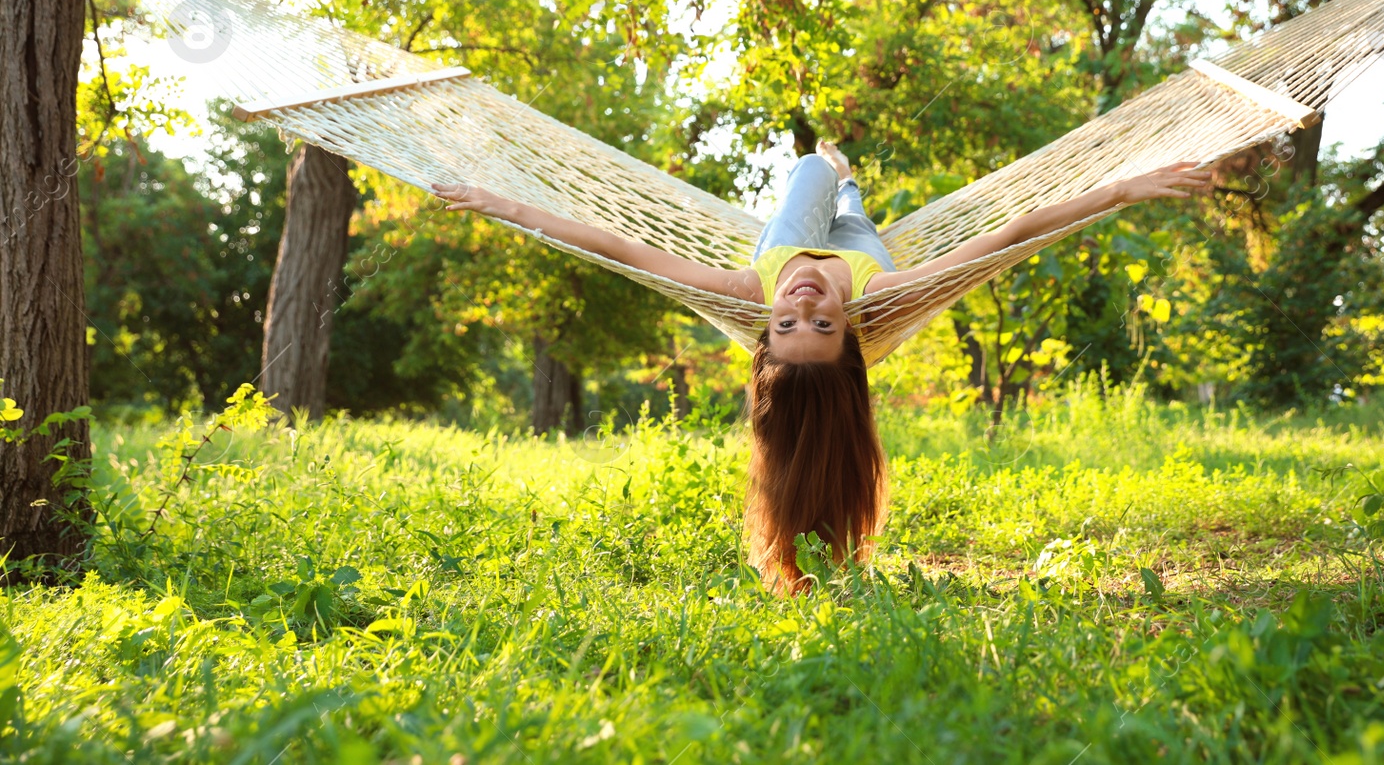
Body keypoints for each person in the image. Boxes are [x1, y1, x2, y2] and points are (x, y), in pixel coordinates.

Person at [433, 143, 1209, 591]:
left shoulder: (751, 291)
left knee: (808, 169)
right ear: (850, 332)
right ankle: (854, 189)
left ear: (764, 329)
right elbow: (1018, 230)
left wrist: (501, 201)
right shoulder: (881, 298)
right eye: (821, 323)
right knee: (858, 222)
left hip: (780, 234)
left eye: (791, 321)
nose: (804, 301)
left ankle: (833, 168)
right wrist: (1123, 188)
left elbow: (615, 248)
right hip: (865, 258)